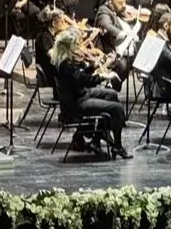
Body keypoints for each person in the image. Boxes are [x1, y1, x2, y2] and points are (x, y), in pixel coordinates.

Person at [49, 27, 132, 158]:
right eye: (75, 44)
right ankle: (117, 146)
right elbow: (84, 81)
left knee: (111, 94)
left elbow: (80, 77)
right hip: (76, 103)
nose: (78, 47)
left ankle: (97, 140)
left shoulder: (64, 60)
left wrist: (94, 67)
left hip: (80, 95)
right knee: (117, 108)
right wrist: (104, 77)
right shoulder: (65, 65)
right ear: (68, 46)